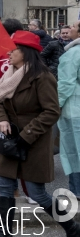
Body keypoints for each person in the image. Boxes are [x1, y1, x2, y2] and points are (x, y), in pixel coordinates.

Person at [0, 31, 76, 236]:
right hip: (11, 140)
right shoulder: (9, 74)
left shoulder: (43, 77)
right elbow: (0, 102)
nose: (9, 53)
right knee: (4, 188)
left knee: (37, 193)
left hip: (33, 141)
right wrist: (1, 119)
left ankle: (72, 228)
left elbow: (51, 111)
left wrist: (27, 134)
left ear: (26, 52)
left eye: (13, 49)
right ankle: (4, 233)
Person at [0, 18, 33, 203]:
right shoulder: (29, 50)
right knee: (28, 146)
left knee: (1, 148)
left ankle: (9, 190)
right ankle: (32, 191)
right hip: (25, 106)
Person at [58, 20, 80, 199]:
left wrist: (55, 104)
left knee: (74, 150)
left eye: (73, 26)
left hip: (75, 109)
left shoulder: (73, 53)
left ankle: (77, 191)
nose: (69, 28)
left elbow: (66, 83)